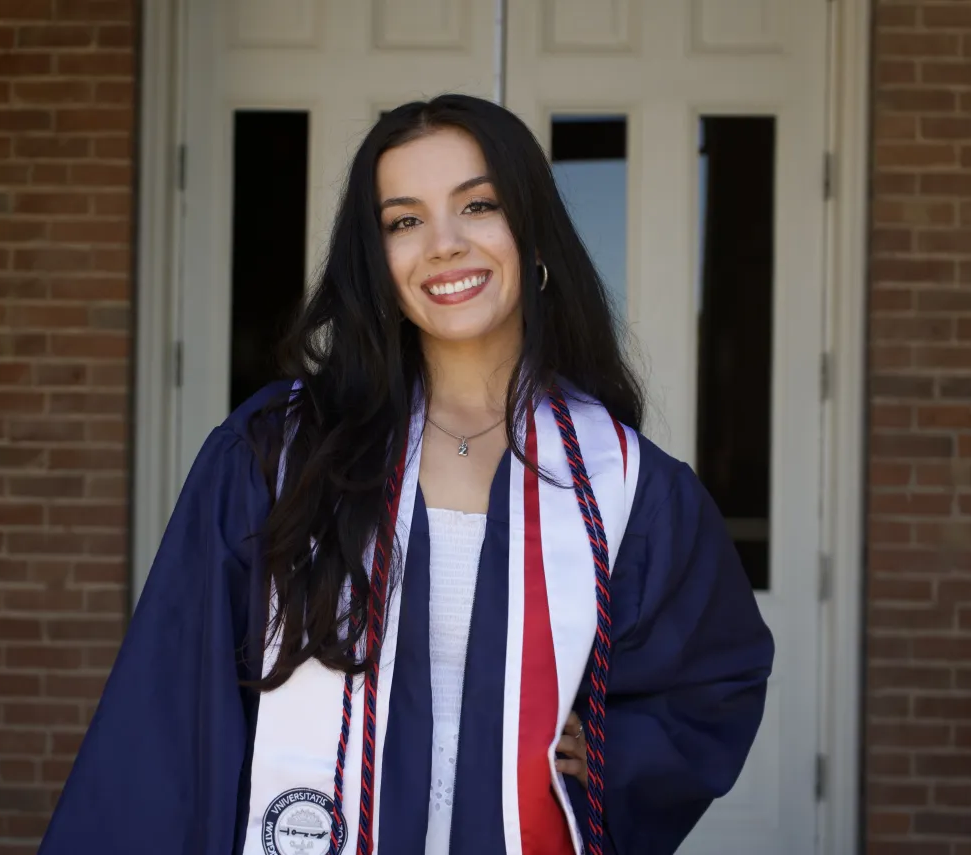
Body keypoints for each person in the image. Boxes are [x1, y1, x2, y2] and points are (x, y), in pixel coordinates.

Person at [39, 94, 774, 855]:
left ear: (533, 230)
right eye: (404, 221)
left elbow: (709, 677)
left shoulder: (620, 484)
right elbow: (170, 704)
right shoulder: (280, 454)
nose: (444, 245)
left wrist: (619, 753)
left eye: (478, 206)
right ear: (376, 260)